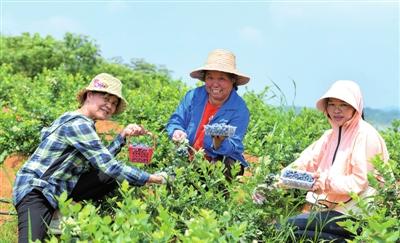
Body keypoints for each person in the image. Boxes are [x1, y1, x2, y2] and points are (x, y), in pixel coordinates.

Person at [12, 73, 168, 243]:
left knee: (107, 177)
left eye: (114, 103)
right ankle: (57, 212)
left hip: (56, 189)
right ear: (90, 94)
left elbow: (100, 164)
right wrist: (155, 179)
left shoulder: (76, 120)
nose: (109, 105)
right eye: (106, 98)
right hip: (37, 191)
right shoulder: (80, 124)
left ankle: (59, 211)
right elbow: (111, 166)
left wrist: (122, 137)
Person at [253, 80, 389, 242]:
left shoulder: (366, 135)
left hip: (358, 215)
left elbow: (359, 182)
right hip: (331, 211)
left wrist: (324, 183)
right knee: (281, 230)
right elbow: (303, 164)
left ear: (355, 107)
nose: (337, 110)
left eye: (344, 105)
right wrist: (271, 185)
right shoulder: (329, 136)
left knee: (287, 229)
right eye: (332, 104)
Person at [166, 49, 250, 180]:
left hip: (217, 159)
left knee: (227, 165)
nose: (215, 84)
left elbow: (234, 146)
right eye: (210, 77)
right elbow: (176, 120)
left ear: (232, 81)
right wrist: (177, 131)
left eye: (221, 78)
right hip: (187, 154)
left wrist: (219, 143)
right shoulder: (193, 96)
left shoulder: (240, 109)